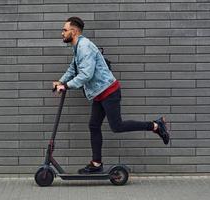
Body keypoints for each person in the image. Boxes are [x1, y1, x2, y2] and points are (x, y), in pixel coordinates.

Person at [53, 17, 170, 174]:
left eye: (65, 30)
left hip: (109, 91)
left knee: (117, 126)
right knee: (94, 125)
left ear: (73, 32)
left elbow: (86, 74)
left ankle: (155, 125)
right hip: (99, 93)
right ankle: (96, 164)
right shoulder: (78, 47)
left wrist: (66, 85)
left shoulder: (85, 47)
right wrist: (60, 81)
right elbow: (73, 68)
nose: (62, 33)